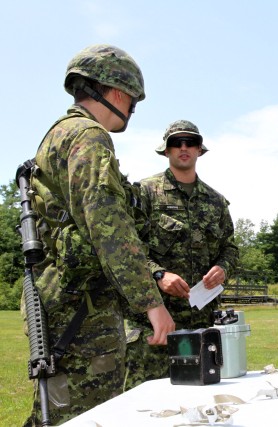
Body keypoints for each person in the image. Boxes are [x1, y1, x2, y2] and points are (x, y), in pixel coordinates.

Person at [23, 44, 175, 426]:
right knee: (86, 414)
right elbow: (107, 225)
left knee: (58, 409)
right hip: (81, 308)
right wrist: (150, 301)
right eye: (134, 102)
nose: (132, 111)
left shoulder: (58, 135)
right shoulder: (89, 137)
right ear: (119, 93)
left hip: (58, 298)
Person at [124, 119, 239, 390]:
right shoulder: (144, 193)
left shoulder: (216, 201)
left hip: (201, 324)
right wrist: (158, 274)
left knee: (200, 402)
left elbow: (230, 248)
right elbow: (127, 247)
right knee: (146, 404)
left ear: (200, 150)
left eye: (191, 143)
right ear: (166, 151)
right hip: (154, 324)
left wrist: (223, 267)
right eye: (176, 143)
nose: (183, 148)